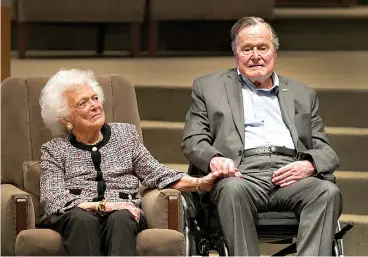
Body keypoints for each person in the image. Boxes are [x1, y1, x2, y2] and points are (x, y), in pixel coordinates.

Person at [182, 17, 343, 256]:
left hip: (290, 175)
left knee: (326, 192)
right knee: (232, 189)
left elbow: (326, 151)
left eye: (262, 48)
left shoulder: (302, 93)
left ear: (274, 53)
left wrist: (309, 164)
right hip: (241, 173)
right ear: (236, 54)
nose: (255, 55)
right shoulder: (209, 87)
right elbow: (193, 139)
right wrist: (215, 159)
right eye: (247, 49)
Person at [39, 69, 222, 256]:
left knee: (122, 218)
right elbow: (52, 199)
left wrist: (199, 183)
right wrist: (102, 206)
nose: (94, 106)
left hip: (122, 212)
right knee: (82, 220)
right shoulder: (54, 150)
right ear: (66, 118)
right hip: (76, 215)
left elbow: (155, 172)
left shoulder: (125, 136)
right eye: (83, 103)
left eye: (95, 98)